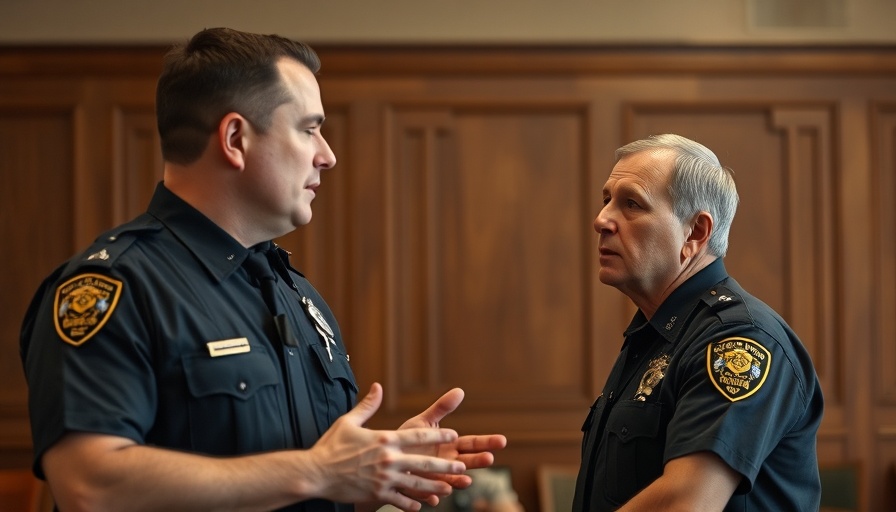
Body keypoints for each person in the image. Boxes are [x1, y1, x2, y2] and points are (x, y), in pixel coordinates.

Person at [19, 27, 506, 512]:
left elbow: (303, 487)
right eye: (309, 129)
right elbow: (89, 486)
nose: (328, 155)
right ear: (235, 138)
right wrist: (319, 471)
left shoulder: (297, 295)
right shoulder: (113, 288)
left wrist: (380, 467)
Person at [573, 134, 823, 511]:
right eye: (607, 200)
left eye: (631, 204)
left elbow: (687, 502)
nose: (601, 220)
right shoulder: (657, 335)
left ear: (695, 232)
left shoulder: (739, 339)